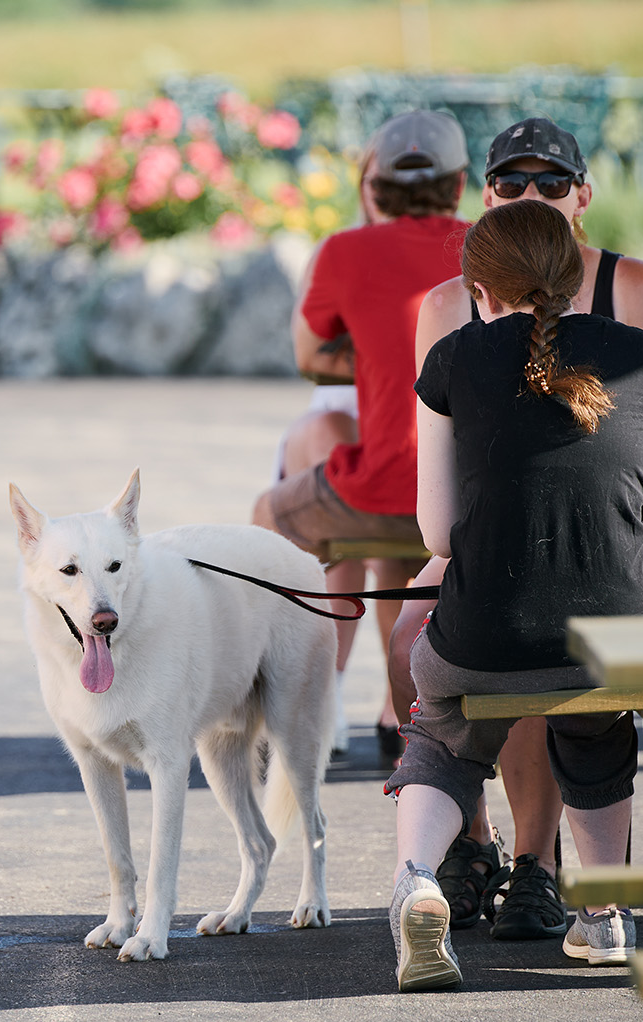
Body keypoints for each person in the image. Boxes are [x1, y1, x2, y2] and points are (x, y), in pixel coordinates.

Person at [389, 116, 643, 942]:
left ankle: (431, 872)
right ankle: (601, 907)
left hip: (492, 599)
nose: (531, 196)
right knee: (591, 705)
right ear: (484, 199)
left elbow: (438, 526)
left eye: (549, 182)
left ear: (580, 198)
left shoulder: (458, 346)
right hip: (618, 607)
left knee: (446, 704)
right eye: (514, 184)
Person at [252, 110, 472, 756]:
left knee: (271, 510)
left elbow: (309, 355)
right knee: (405, 552)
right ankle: (405, 712)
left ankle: (281, 704)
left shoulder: (345, 252)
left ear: (373, 189)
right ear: (458, 185)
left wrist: (376, 357)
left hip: (385, 487)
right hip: (470, 494)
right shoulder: (488, 243)